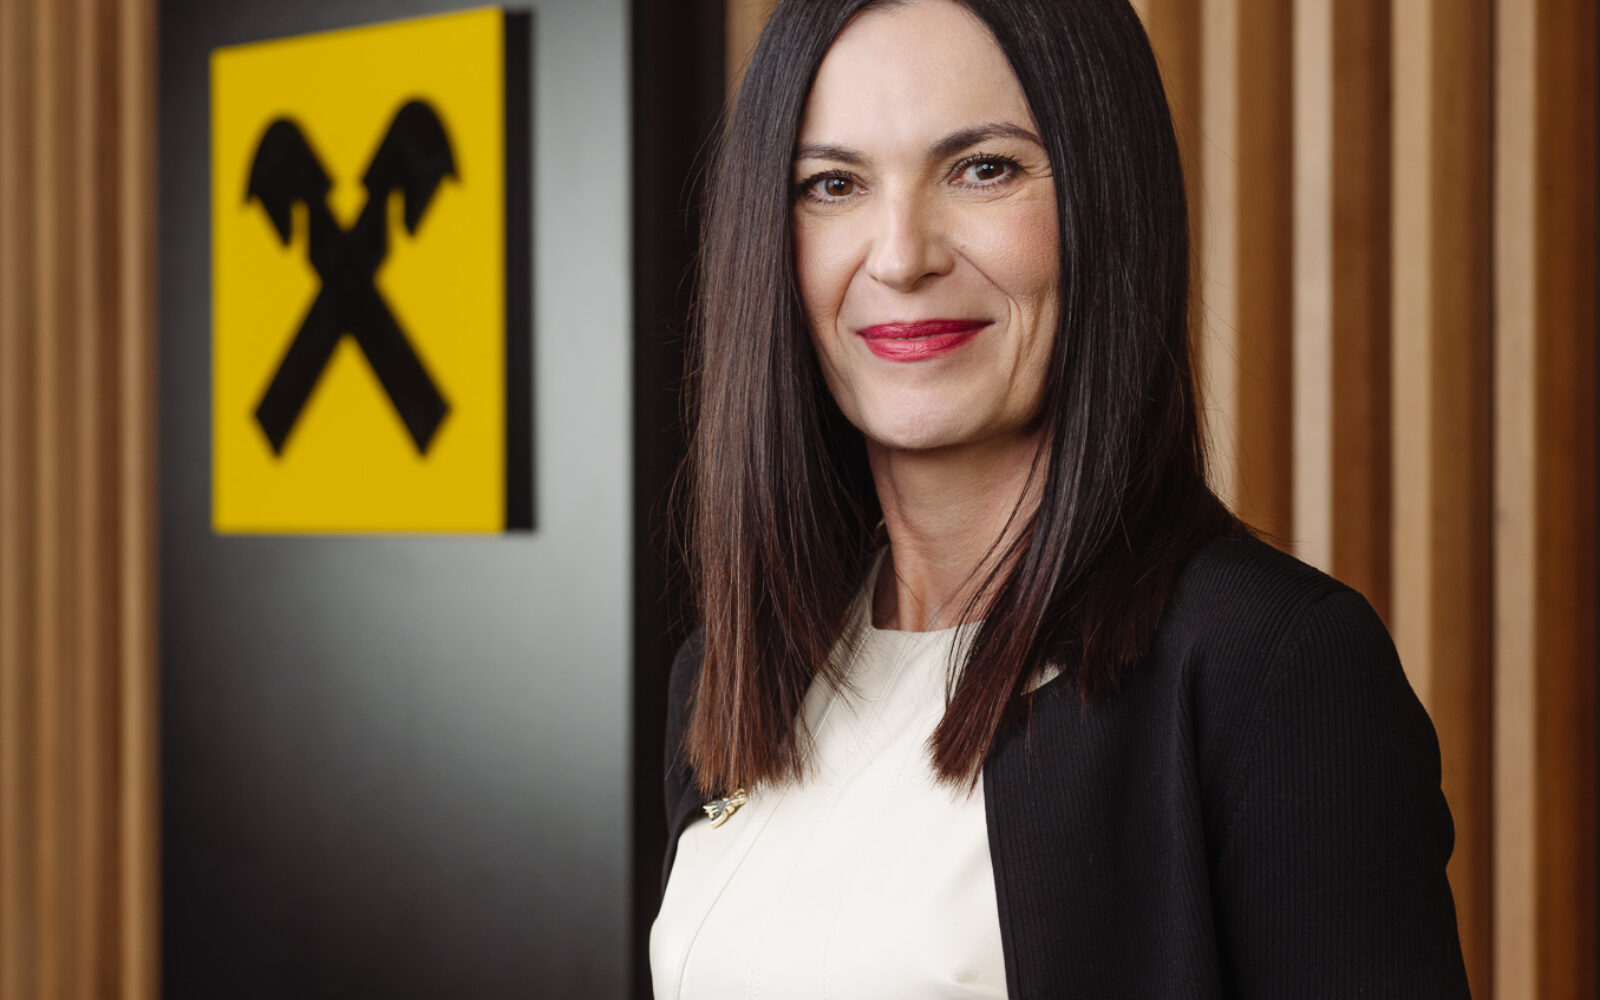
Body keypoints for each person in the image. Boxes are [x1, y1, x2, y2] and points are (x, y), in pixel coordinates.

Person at [651, 0, 1471, 996]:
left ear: (1105, 200)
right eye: (833, 184)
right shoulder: (733, 676)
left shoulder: (1267, 670)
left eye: (982, 168)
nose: (901, 255)